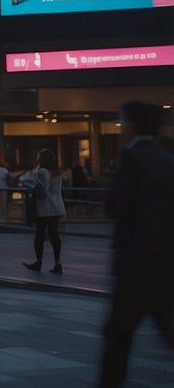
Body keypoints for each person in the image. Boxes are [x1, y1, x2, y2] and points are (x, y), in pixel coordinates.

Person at [99, 101, 174, 387]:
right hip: (165, 266)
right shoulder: (168, 160)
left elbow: (115, 205)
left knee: (117, 337)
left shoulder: (130, 158)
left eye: (122, 122)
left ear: (131, 125)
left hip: (134, 266)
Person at [22, 148, 65, 274]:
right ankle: (57, 263)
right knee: (54, 235)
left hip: (45, 207)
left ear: (42, 159)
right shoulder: (56, 172)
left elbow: (42, 191)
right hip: (56, 207)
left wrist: (27, 184)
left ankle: (38, 261)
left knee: (40, 235)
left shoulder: (42, 172)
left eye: (38, 156)